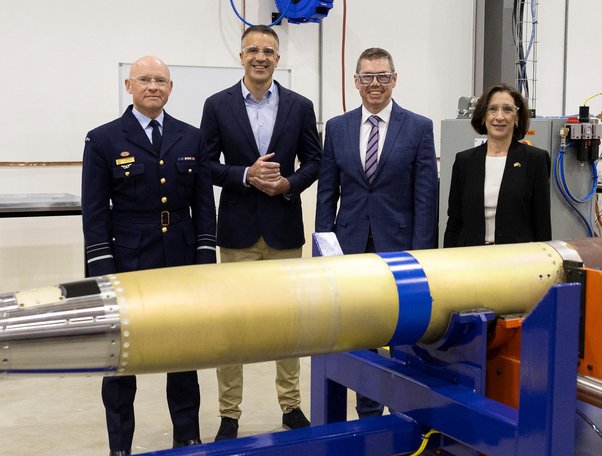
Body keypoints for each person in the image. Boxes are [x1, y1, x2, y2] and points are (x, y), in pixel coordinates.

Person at [81, 55, 217, 456]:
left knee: (183, 352)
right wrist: (102, 268)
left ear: (171, 88)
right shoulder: (103, 139)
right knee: (122, 357)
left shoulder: (191, 137)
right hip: (127, 258)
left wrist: (205, 255)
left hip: (179, 252)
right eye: (145, 80)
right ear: (129, 86)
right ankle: (120, 446)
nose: (153, 86)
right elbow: (94, 210)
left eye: (161, 80)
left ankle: (187, 437)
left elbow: (203, 203)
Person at [200, 24, 321, 441]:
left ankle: (291, 405)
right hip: (236, 232)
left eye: (268, 50)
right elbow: (205, 165)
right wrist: (244, 175)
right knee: (231, 326)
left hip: (284, 229)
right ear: (241, 56)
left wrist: (290, 184)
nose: (260, 57)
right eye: (253, 50)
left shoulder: (300, 106)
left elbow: (315, 162)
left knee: (289, 324)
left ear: (277, 58)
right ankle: (229, 413)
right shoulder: (217, 105)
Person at [314, 47, 438, 417]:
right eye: (367, 77)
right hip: (350, 248)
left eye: (382, 76)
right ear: (356, 82)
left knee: (403, 331)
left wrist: (422, 255)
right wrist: (323, 251)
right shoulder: (337, 128)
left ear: (394, 80)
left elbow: (425, 197)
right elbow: (327, 195)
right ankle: (368, 410)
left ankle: (405, 410)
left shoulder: (418, 127)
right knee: (359, 333)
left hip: (400, 249)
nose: (375, 84)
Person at [444, 83, 551, 247]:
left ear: (517, 117)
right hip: (470, 259)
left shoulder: (535, 160)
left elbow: (542, 222)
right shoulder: (464, 161)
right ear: (483, 116)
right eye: (492, 109)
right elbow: (455, 221)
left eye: (507, 109)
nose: (499, 117)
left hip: (517, 261)